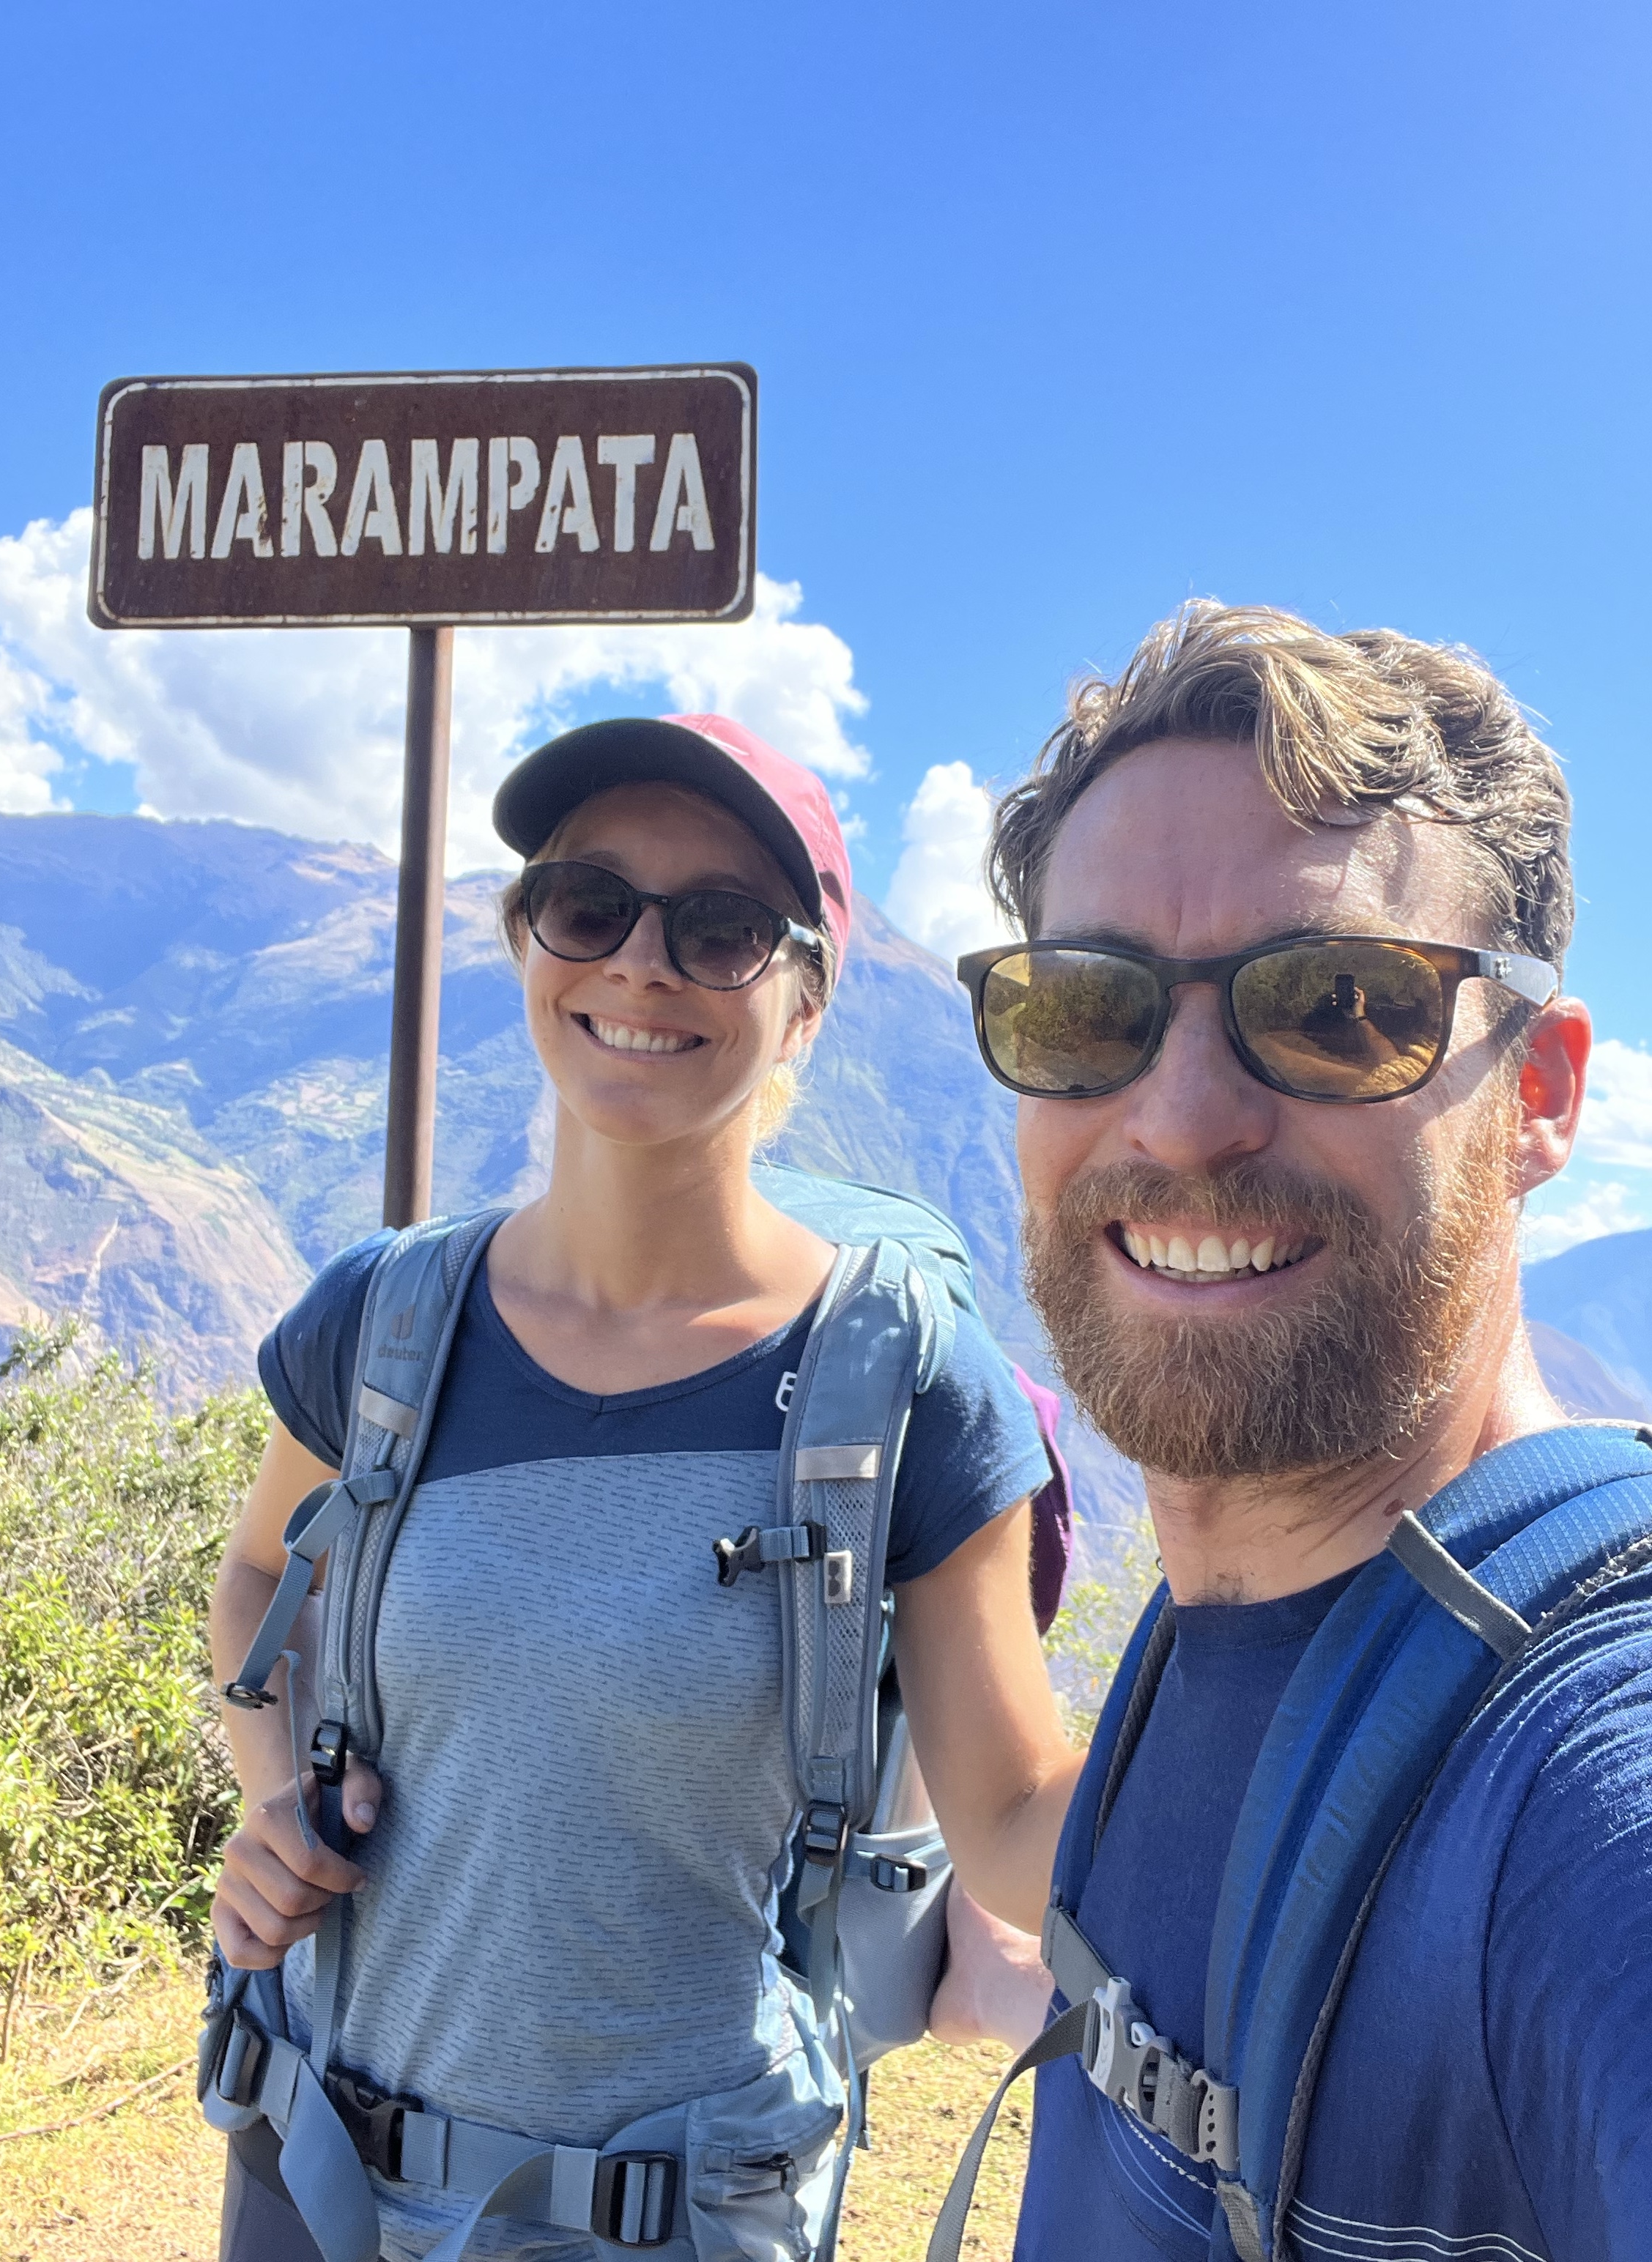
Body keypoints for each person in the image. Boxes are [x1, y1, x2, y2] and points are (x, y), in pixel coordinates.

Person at [206, 712, 1083, 2262]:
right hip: (321, 2170)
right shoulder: (385, 1321)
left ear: (806, 1003)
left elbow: (1015, 1817)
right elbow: (262, 1575)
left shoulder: (904, 1381)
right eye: (590, 903)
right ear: (527, 937)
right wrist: (273, 1787)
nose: (640, 963)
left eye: (723, 927)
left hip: (677, 2216)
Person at [943, 603, 1652, 2257]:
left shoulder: (1583, 1788)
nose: (1184, 1118)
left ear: (1541, 1093)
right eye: (1087, 1008)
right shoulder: (1203, 1655)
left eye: (1341, 1005)